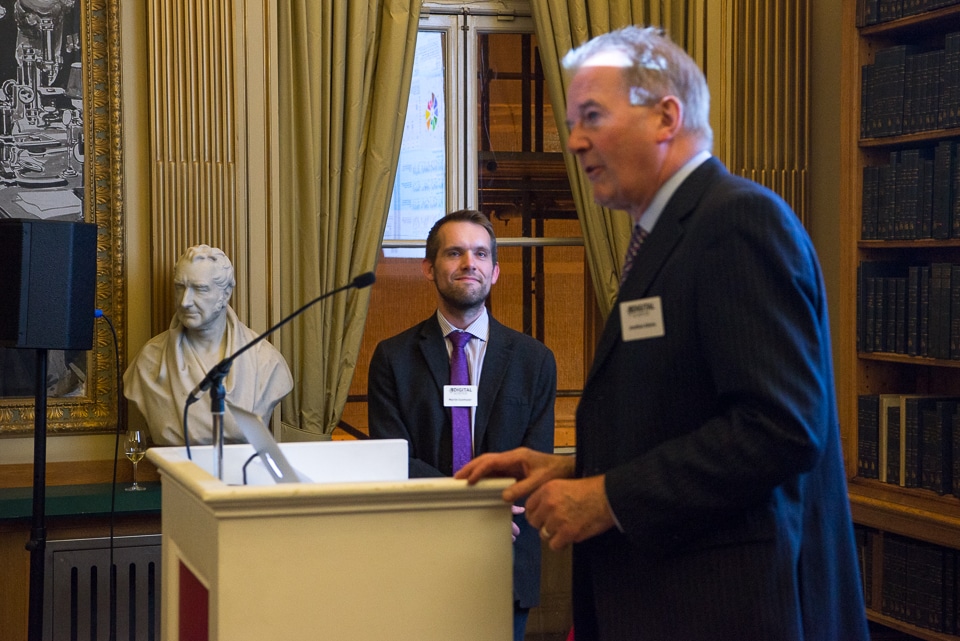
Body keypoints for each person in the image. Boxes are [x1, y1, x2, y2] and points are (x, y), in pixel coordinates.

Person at [456, 26, 870, 641]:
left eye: (593, 116)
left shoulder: (736, 222)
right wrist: (575, 468)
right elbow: (686, 415)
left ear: (666, 117)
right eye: (573, 122)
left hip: (729, 610)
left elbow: (779, 428)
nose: (575, 140)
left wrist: (607, 496)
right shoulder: (665, 235)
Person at [367, 209, 557, 641]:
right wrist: (469, 507)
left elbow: (534, 462)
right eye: (454, 253)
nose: (469, 262)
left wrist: (484, 512)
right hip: (419, 551)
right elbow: (395, 458)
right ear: (429, 268)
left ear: (495, 272)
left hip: (504, 551)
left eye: (480, 254)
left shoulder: (534, 361)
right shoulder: (393, 359)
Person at [124, 244, 293, 446]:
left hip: (240, 466)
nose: (185, 302)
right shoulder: (150, 360)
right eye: (180, 287)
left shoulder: (266, 362)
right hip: (175, 465)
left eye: (200, 289)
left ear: (226, 294)